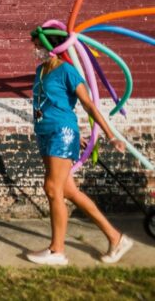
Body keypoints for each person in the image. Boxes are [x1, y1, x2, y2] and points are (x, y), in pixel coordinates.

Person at [26, 27, 133, 265]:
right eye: (34, 46)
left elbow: (88, 104)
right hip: (46, 133)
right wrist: (75, 137)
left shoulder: (68, 71)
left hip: (60, 133)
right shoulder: (40, 71)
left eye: (38, 46)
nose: (35, 50)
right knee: (70, 192)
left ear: (52, 47)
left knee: (53, 189)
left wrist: (109, 135)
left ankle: (57, 251)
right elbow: (49, 103)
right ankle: (117, 238)